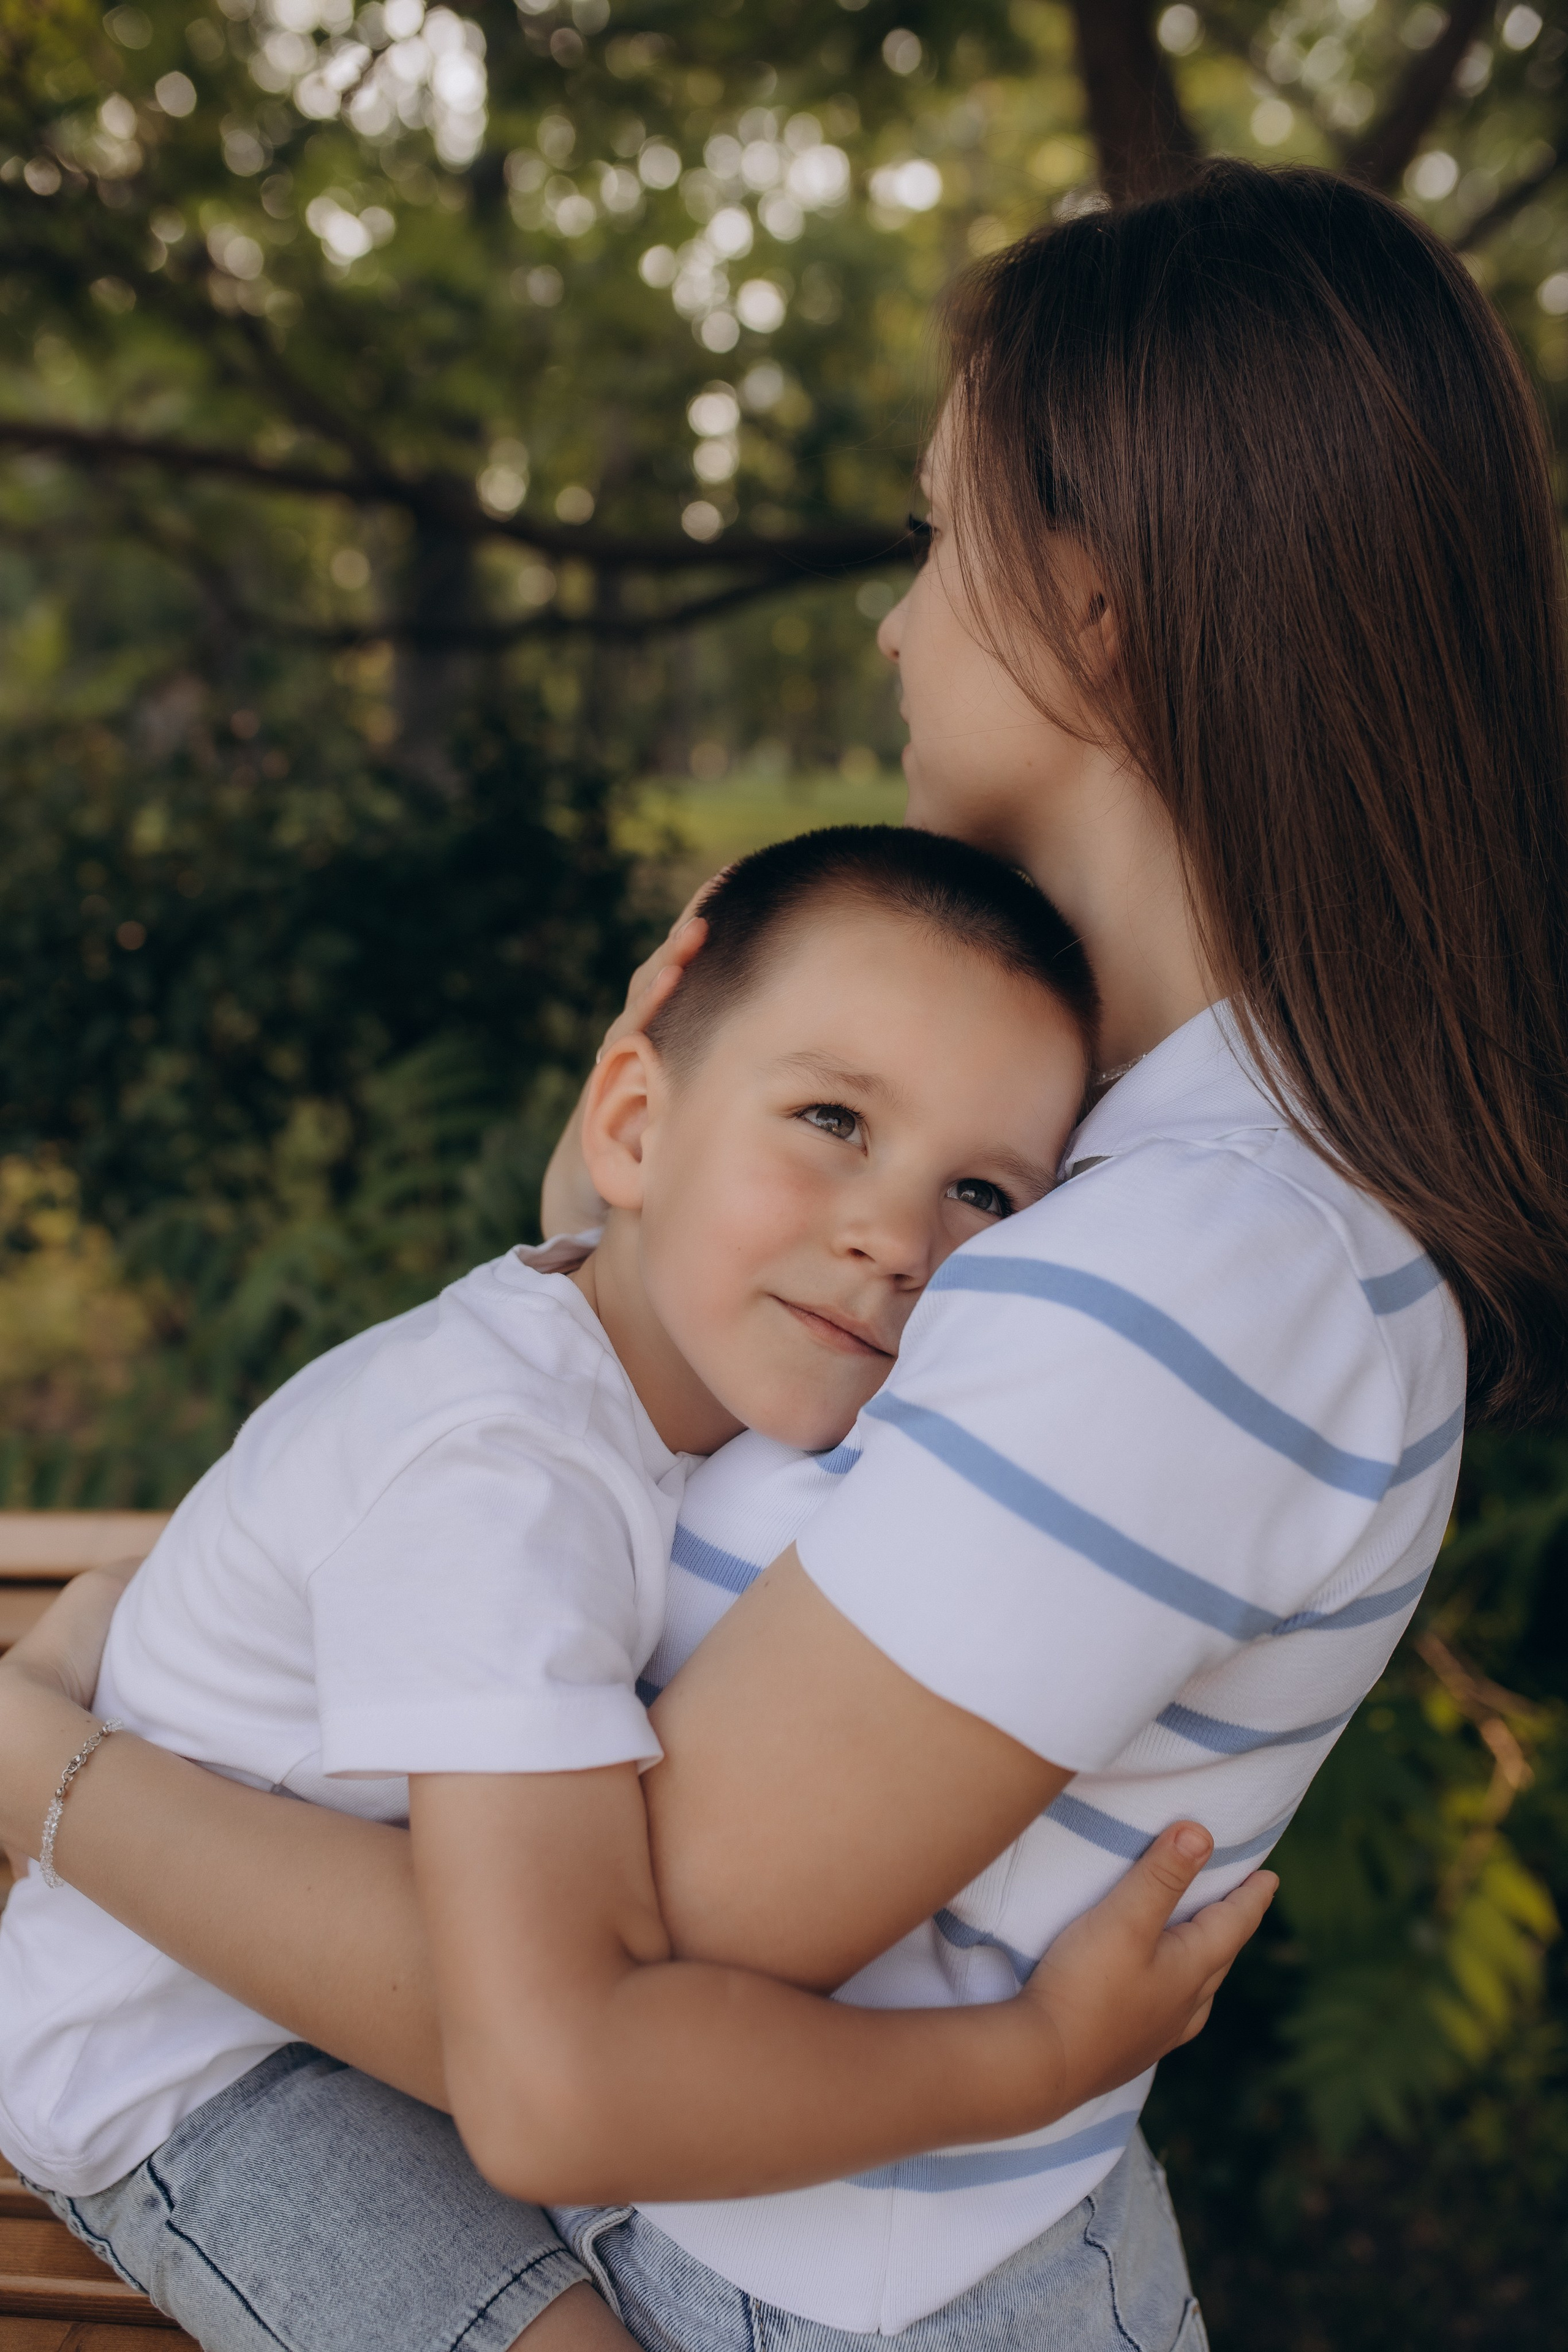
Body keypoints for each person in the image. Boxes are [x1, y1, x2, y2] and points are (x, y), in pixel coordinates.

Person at [2, 157, 1566, 2352]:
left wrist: (54, 1779)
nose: (893, 622)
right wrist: (618, 1233)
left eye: (937, 539)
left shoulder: (1206, 1262)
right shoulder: (1092, 1169)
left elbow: (613, 1993)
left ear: (1102, 600)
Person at [0, 825, 1266, 2352]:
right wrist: (1036, 2053)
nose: (895, 1237)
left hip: (386, 1970)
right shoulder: (500, 1486)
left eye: (985, 1193)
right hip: (187, 2053)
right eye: (831, 1117)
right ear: (632, 1128)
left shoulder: (660, 1356)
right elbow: (566, 2074)